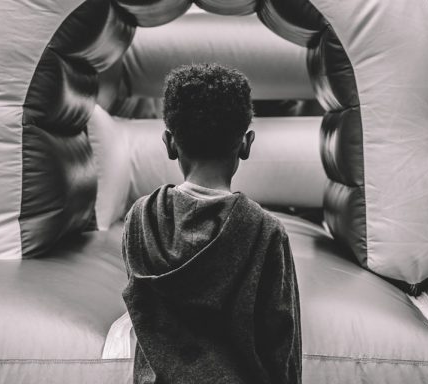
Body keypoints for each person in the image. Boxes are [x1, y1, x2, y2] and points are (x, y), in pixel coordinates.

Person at [122, 63, 301, 384]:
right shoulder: (265, 232)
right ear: (246, 144)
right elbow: (281, 344)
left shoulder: (141, 219)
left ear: (169, 142)